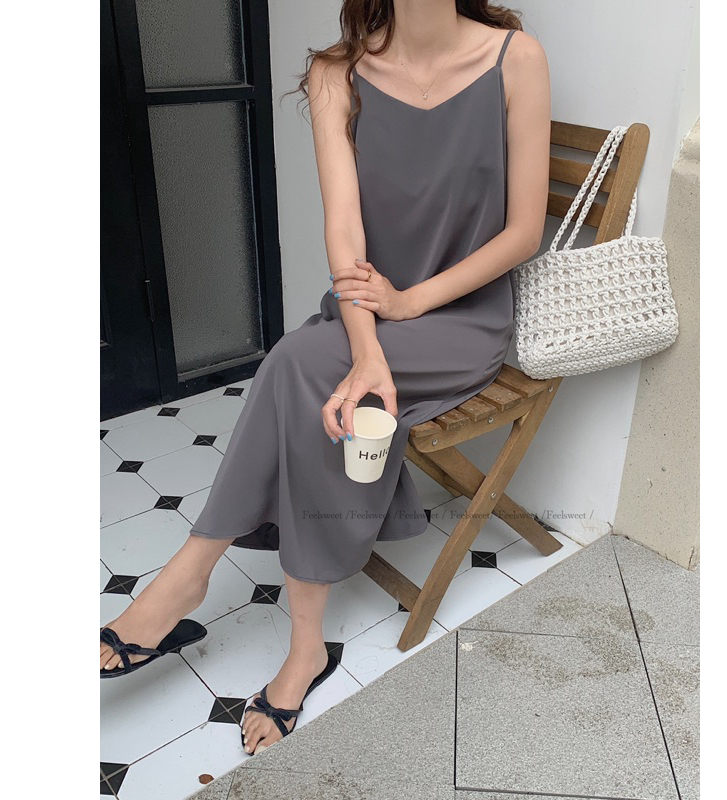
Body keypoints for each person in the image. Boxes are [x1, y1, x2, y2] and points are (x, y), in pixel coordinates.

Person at [100, 0, 550, 758]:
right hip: (363, 312)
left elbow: (523, 231)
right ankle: (301, 645)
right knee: (313, 374)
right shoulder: (337, 73)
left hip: (459, 320)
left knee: (298, 364)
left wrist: (409, 303)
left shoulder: (516, 58)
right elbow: (344, 228)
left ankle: (191, 580)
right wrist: (369, 346)